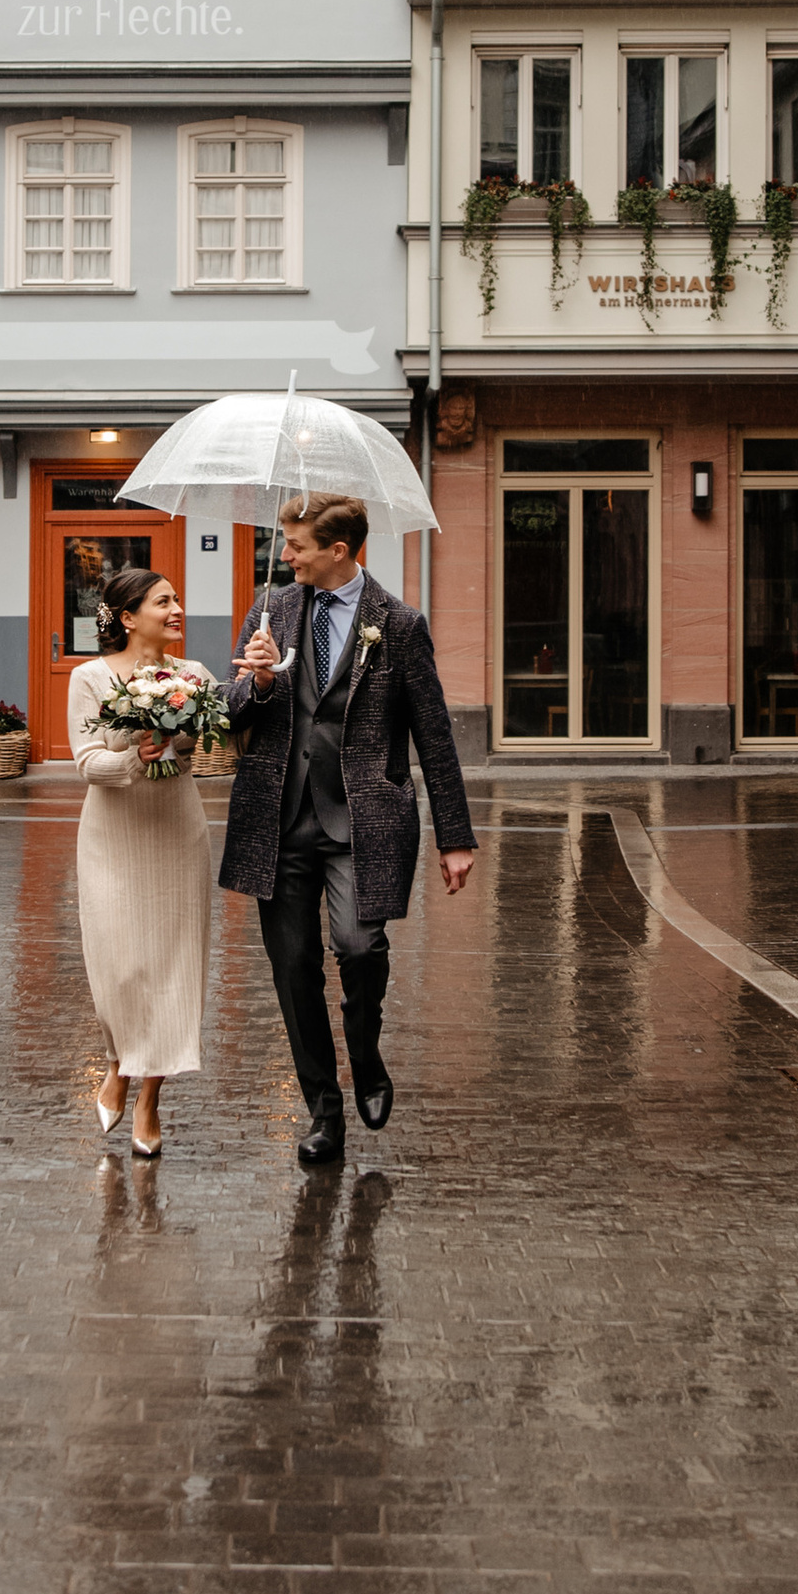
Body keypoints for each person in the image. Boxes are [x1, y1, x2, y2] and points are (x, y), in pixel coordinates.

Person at [221, 492, 476, 1169]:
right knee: (292, 966)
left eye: (298, 545)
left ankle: (365, 1052)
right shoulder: (270, 609)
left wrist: (457, 835)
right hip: (277, 816)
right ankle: (322, 1110)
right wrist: (262, 681)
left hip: (363, 816)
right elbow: (232, 707)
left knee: (359, 946)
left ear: (339, 551)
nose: (285, 555)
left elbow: (435, 734)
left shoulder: (397, 623)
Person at [68, 567, 213, 1160]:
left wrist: (180, 742)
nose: (177, 609)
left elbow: (216, 744)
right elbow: (85, 761)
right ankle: (115, 1060)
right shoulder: (90, 677)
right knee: (119, 965)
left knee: (173, 966)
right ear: (128, 618)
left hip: (178, 828)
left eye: (177, 598)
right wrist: (134, 754)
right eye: (163, 601)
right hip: (112, 835)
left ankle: (150, 1098)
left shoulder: (195, 677)